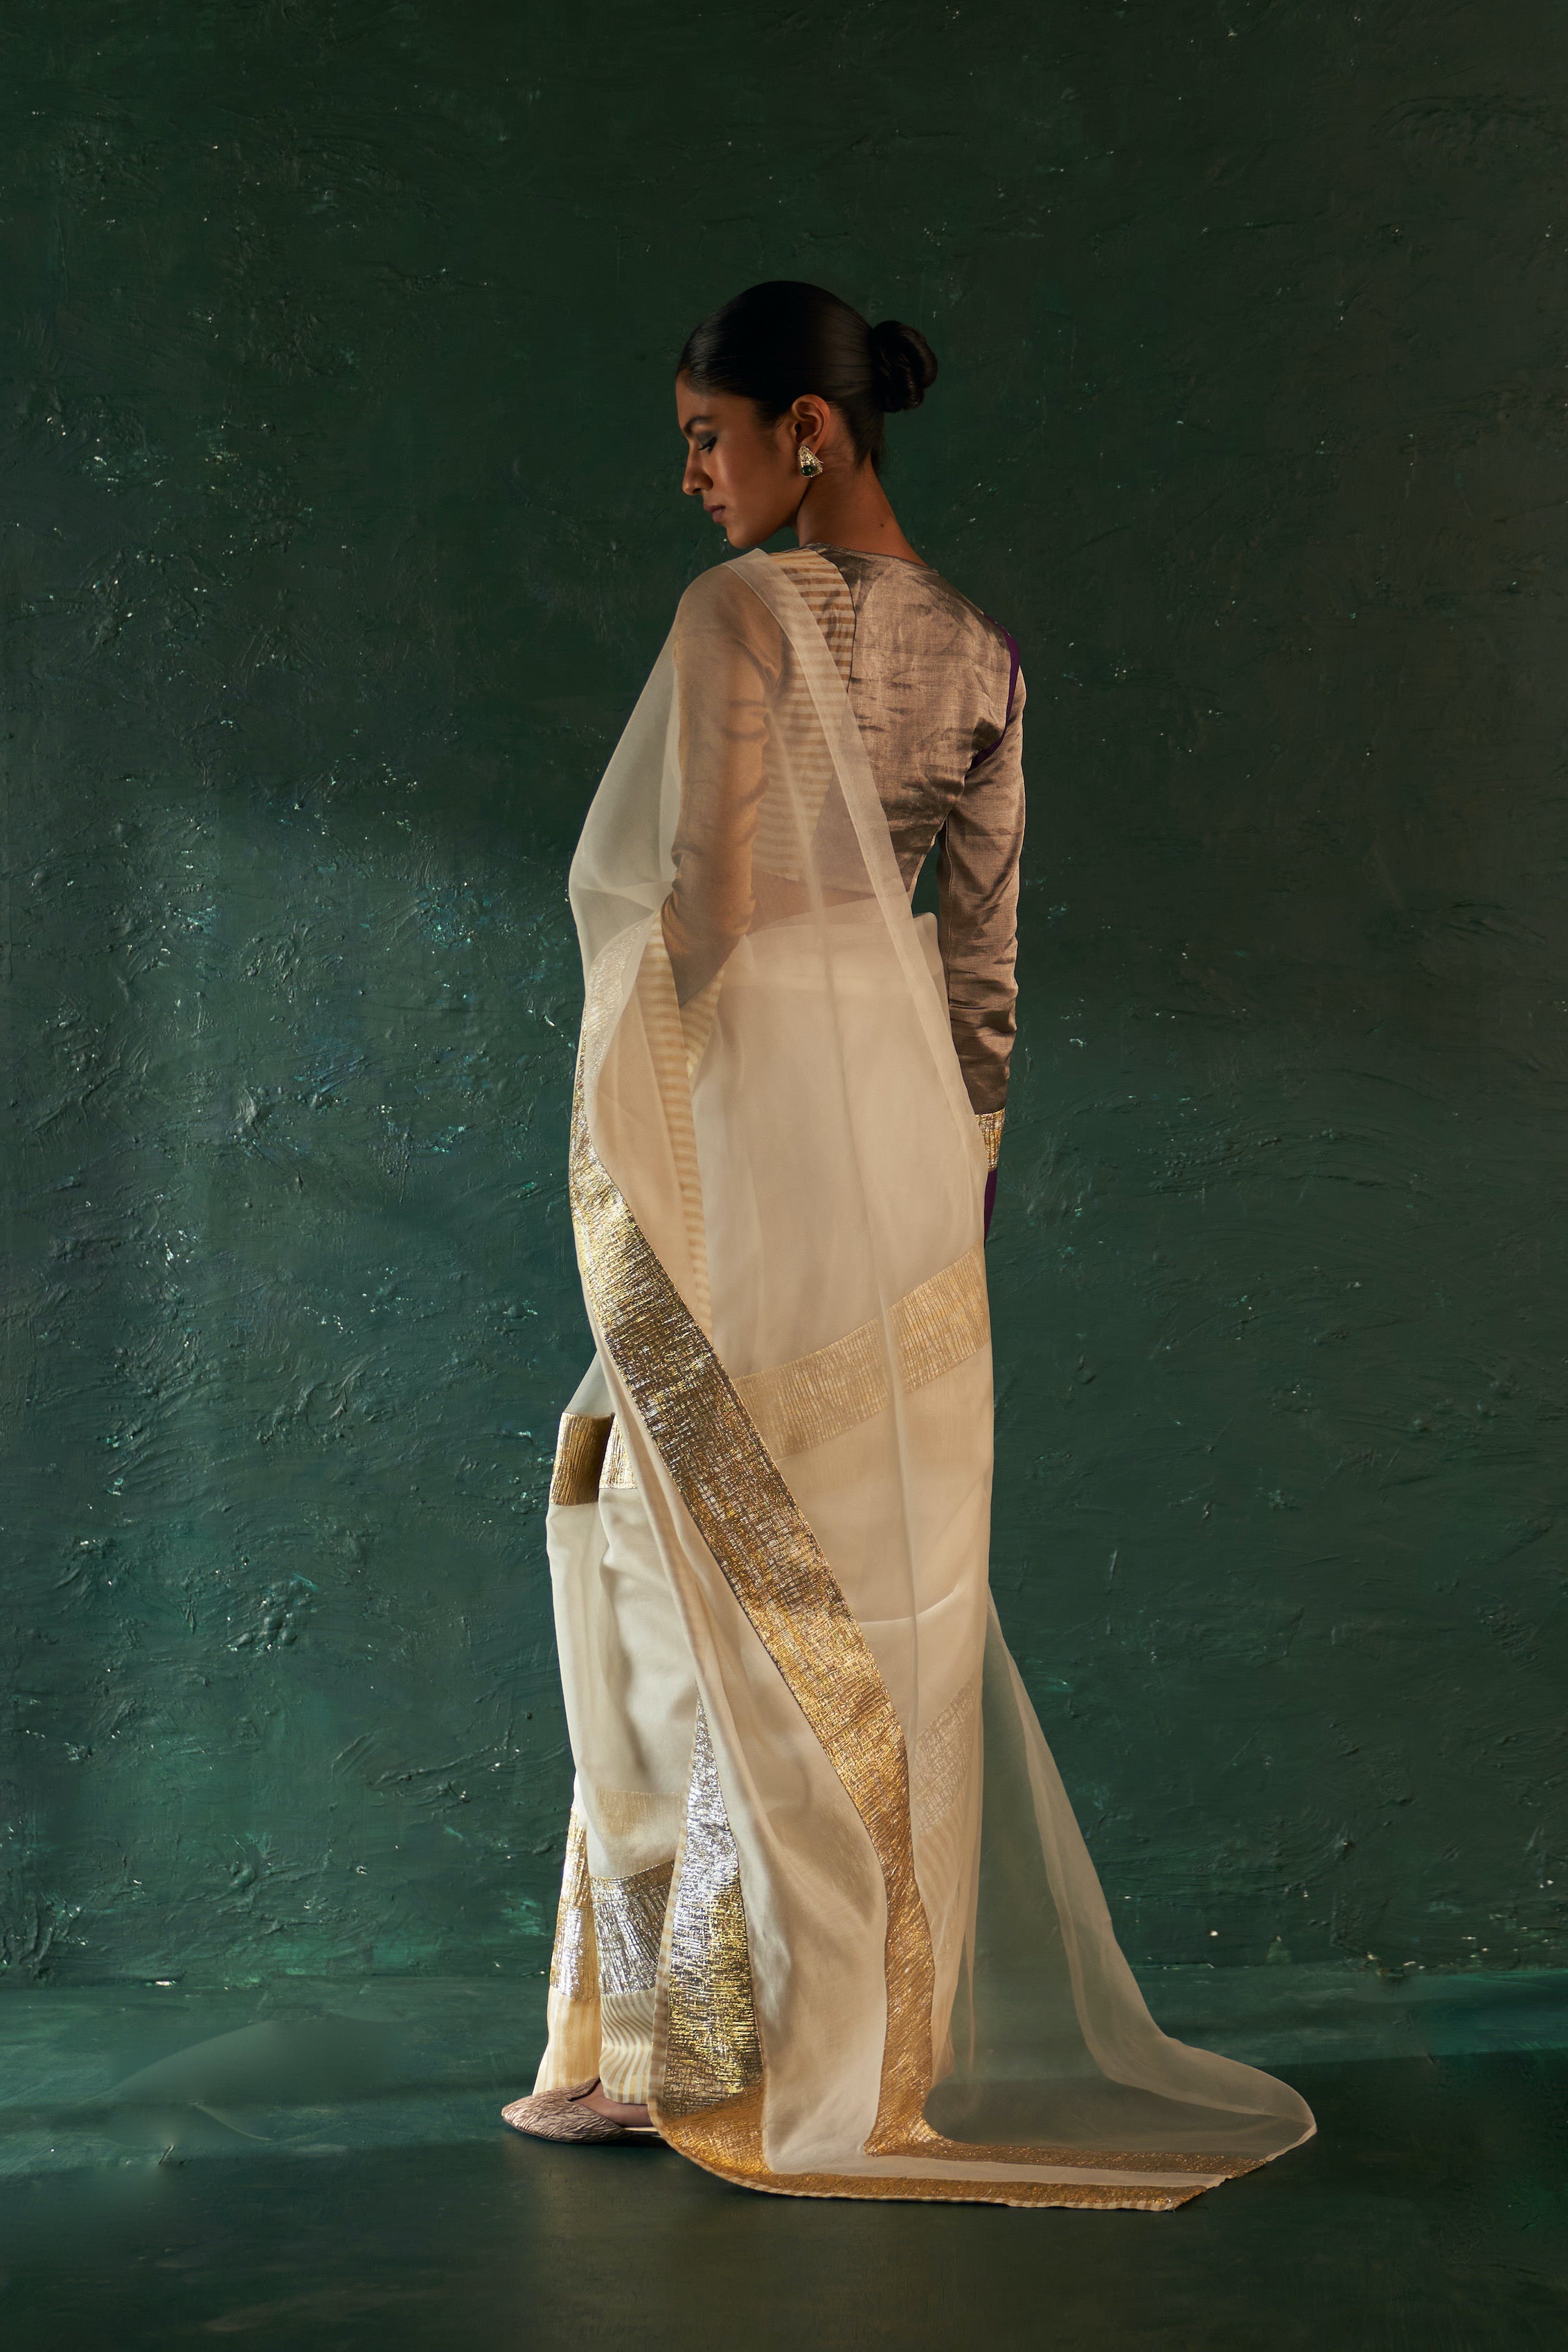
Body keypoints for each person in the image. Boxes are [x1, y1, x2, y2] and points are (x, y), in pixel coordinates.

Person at [499, 281, 1315, 2205]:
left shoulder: (735, 615)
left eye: (710, 437)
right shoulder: (986, 655)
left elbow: (702, 898)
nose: (693, 477)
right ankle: (847, 2041)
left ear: (811, 432)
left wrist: (656, 1130)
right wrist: (957, 1183)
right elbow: (984, 966)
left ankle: (678, 2048)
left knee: (678, 1547)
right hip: (910, 1142)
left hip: (758, 1099)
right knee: (869, 1570)